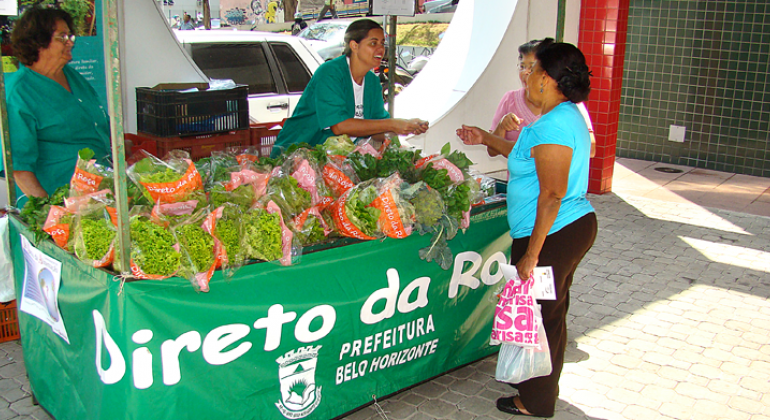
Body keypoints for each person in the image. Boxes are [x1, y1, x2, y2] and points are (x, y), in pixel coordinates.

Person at [456, 42, 597, 418]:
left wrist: (533, 254)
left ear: (548, 80)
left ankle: (535, 402)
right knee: (549, 312)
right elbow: (526, 157)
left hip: (555, 231)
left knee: (540, 315)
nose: (527, 76)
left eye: (534, 70)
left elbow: (551, 194)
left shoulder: (554, 124)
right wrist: (486, 138)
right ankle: (538, 385)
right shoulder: (562, 116)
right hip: (565, 228)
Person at [272, 19, 428, 157]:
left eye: (382, 43)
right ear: (354, 45)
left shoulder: (372, 82)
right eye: (373, 43)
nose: (380, 49)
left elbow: (379, 129)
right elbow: (340, 126)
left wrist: (406, 127)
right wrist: (393, 124)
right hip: (299, 156)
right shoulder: (330, 73)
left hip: (338, 160)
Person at [2, 7, 110, 205]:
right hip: (59, 200)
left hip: (98, 196)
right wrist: (49, 212)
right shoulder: (18, 92)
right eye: (62, 37)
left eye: (70, 36)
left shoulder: (71, 75)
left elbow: (96, 122)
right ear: (38, 41)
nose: (70, 42)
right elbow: (18, 168)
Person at [491, 38, 595, 157]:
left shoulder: (557, 119)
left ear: (545, 77)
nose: (526, 74)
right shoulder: (510, 99)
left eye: (532, 69)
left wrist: (527, 151)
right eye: (522, 66)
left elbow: (586, 148)